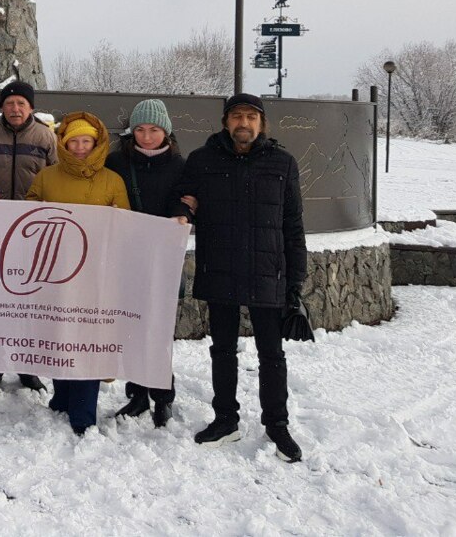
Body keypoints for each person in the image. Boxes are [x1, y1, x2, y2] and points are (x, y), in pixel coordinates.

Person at [173, 93, 307, 463]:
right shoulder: (202, 160)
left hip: (268, 271)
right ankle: (225, 418)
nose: (243, 123)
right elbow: (182, 200)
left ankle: (277, 425)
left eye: (251, 116)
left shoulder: (282, 163)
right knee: (222, 351)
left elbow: (293, 225)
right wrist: (185, 209)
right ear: (225, 122)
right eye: (236, 116)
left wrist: (295, 281)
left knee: (271, 355)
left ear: (262, 123)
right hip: (221, 268)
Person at [26, 112, 130, 435]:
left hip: (96, 275)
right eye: (75, 141)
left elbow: (126, 224)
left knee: (87, 340)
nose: (81, 147)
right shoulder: (47, 177)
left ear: (96, 144)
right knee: (60, 335)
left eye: (87, 141)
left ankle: (83, 414)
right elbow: (28, 211)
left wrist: (115, 220)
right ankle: (62, 397)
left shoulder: (112, 180)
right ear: (64, 143)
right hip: (56, 271)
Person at [0, 80, 58, 395]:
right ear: (1, 107)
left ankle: (27, 366)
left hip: (33, 235)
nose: (15, 109)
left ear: (31, 107)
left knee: (29, 303)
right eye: (10, 103)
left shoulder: (46, 137)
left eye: (21, 103)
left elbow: (57, 181)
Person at [104, 98, 186, 428]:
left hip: (163, 257)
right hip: (126, 256)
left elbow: (188, 199)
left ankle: (163, 396)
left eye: (153, 129)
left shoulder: (180, 166)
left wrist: (185, 213)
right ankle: (137, 393)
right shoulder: (116, 163)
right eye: (140, 129)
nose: (147, 136)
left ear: (165, 131)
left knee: (158, 329)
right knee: (131, 327)